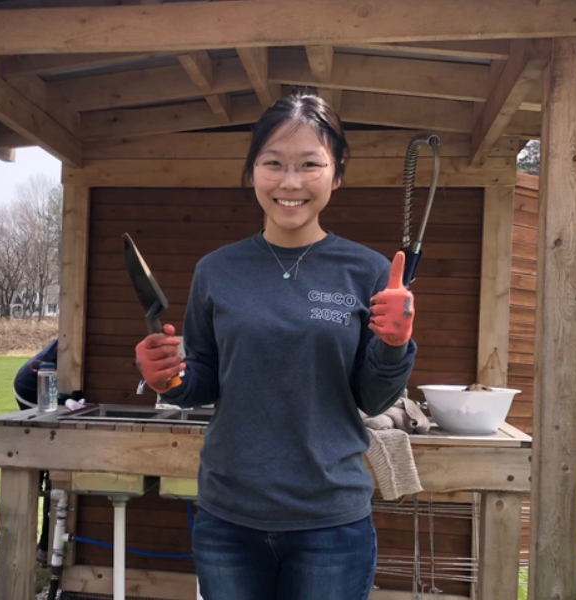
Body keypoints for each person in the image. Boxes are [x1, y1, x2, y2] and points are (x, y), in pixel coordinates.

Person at [135, 92, 417, 600]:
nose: (291, 182)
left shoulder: (368, 271)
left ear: (336, 173)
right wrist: (168, 377)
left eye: (310, 164)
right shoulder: (216, 270)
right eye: (274, 164)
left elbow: (371, 399)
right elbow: (201, 379)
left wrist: (395, 346)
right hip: (228, 517)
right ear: (252, 173)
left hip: (330, 521)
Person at [13, 339, 59, 564]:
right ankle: (41, 546)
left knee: (50, 468)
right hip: (33, 387)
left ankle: (40, 544)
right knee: (53, 470)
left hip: (37, 383)